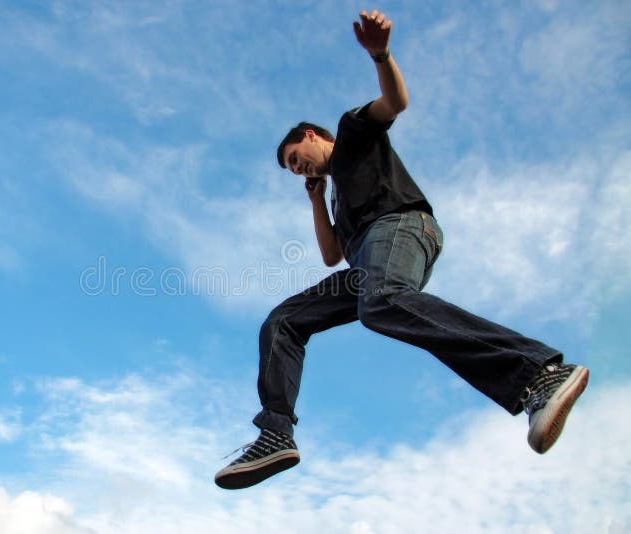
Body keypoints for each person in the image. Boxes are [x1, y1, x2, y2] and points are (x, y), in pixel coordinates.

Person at [214, 8, 589, 490]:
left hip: (401, 228)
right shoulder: (333, 193)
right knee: (284, 320)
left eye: (295, 159)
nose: (296, 170)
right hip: (365, 261)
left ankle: (538, 373)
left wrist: (381, 54)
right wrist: (317, 203)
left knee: (382, 299)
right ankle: (275, 434)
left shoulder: (351, 132)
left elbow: (396, 101)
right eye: (291, 171)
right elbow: (331, 256)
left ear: (311, 137)